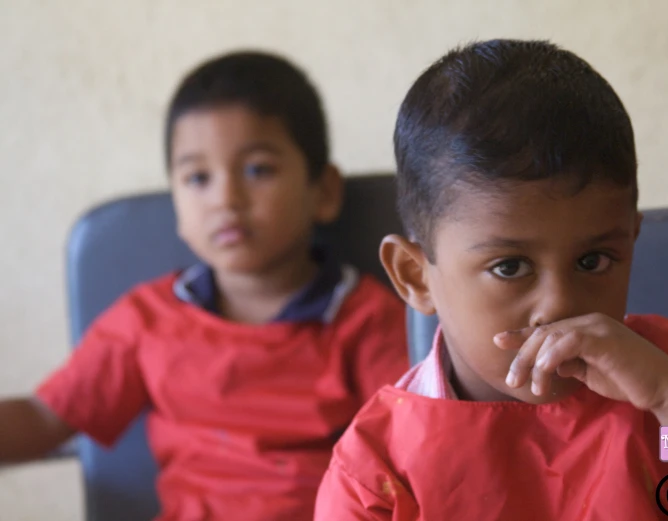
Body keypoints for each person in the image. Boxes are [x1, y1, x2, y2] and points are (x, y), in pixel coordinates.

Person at [314, 39, 668, 520]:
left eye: (594, 260)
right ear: (416, 276)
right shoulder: (375, 470)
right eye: (509, 267)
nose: (559, 305)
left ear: (631, 241)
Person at [0, 50, 409, 521]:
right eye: (198, 178)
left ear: (324, 191)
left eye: (258, 170)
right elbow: (45, 418)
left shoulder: (366, 321)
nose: (225, 200)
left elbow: (414, 453)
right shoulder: (147, 320)